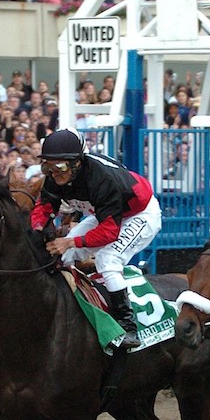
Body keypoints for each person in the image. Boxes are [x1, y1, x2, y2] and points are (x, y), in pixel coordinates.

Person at [30, 127, 162, 349]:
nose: (54, 173)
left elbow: (109, 232)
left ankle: (128, 326)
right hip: (102, 212)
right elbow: (43, 206)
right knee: (66, 255)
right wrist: (37, 227)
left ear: (77, 163)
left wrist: (71, 241)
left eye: (60, 166)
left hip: (140, 214)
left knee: (108, 259)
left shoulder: (101, 179)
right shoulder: (55, 177)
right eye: (48, 166)